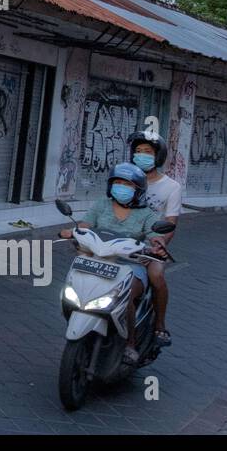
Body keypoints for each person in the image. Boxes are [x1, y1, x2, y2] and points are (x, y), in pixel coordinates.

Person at [60, 162, 167, 365]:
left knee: (124, 297)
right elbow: (85, 225)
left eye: (127, 184)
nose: (122, 187)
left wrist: (157, 244)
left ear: (138, 190)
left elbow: (155, 235)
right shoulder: (101, 205)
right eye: (118, 182)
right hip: (96, 261)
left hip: (129, 266)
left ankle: (130, 344)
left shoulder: (146, 213)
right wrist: (72, 232)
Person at [129, 131, 180, 348]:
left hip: (151, 246)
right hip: (121, 241)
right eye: (138, 152)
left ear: (158, 157)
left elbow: (171, 221)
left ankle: (160, 325)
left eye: (147, 152)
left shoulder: (171, 187)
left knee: (156, 276)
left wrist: (159, 244)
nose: (141, 155)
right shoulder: (125, 178)